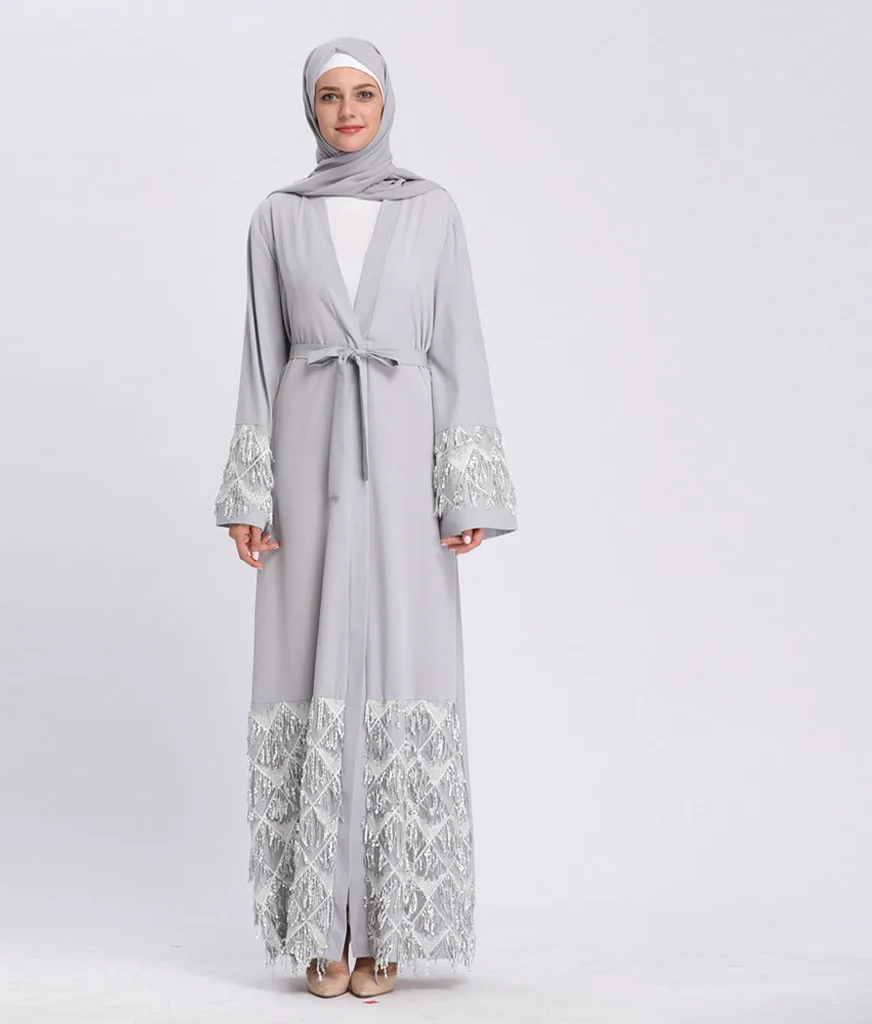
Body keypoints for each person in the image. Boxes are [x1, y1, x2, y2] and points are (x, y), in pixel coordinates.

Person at [213, 36, 518, 999]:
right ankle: (321, 926)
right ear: (309, 109)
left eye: (364, 95)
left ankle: (388, 923)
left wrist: (465, 488)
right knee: (309, 667)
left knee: (400, 664)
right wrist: (249, 494)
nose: (348, 112)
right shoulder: (278, 217)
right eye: (330, 97)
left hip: (403, 461)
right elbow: (260, 358)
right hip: (306, 460)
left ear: (387, 105)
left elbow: (459, 346)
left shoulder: (431, 210)